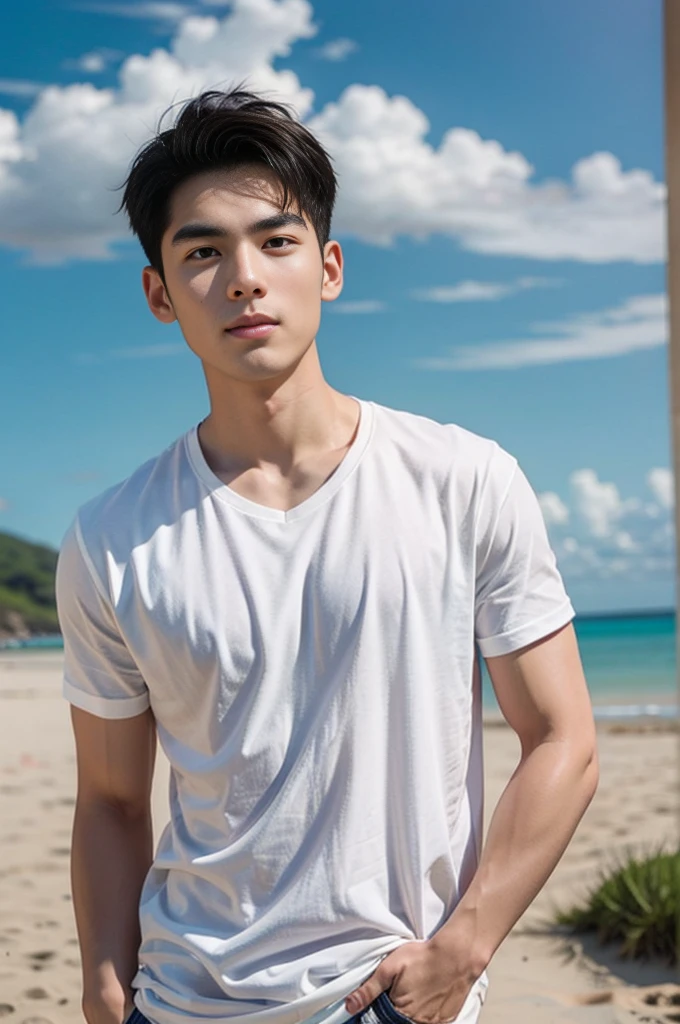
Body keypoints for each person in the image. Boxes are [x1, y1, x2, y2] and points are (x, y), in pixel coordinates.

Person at [55, 85, 599, 1024]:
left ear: (330, 266)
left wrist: (463, 949)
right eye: (202, 253)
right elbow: (109, 798)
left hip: (395, 998)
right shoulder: (112, 538)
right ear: (158, 293)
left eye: (276, 241)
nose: (244, 278)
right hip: (184, 1003)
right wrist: (107, 990)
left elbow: (564, 740)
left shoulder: (464, 479)